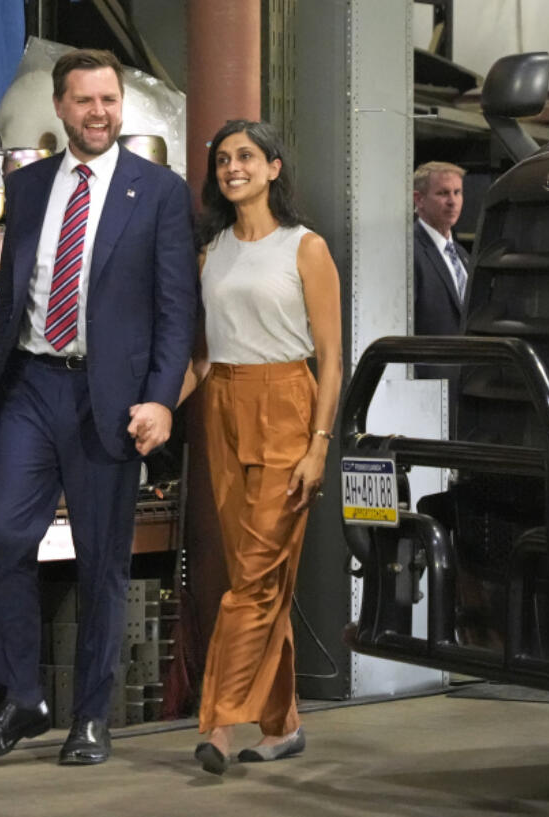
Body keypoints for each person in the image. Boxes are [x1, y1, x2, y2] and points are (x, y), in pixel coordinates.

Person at [0, 49, 197, 766]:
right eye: (85, 101)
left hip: (110, 398)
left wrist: (160, 397)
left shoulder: (157, 191)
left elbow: (176, 309)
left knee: (101, 563)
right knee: (3, 539)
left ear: (120, 106)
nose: (99, 112)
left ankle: (91, 715)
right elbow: (14, 287)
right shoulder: (26, 187)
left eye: (109, 100)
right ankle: (21, 698)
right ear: (60, 109)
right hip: (31, 384)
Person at [172, 119, 341, 776]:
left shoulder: (307, 248)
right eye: (222, 160)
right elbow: (205, 357)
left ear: (274, 168)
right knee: (259, 574)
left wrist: (319, 444)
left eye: (245, 156)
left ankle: (216, 722)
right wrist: (162, 408)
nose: (232, 167)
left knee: (251, 581)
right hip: (221, 409)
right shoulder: (211, 252)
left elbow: (330, 358)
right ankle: (282, 724)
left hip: (288, 406)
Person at [412, 161, 469, 337]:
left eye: (457, 192)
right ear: (419, 199)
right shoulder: (409, 251)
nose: (452, 201)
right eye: (443, 193)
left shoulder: (462, 255)